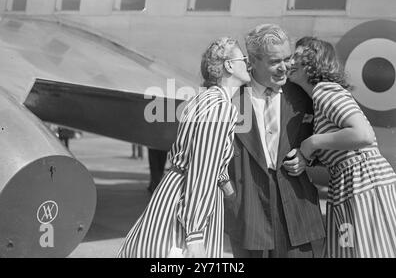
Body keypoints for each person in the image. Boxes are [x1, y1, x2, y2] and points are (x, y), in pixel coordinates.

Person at [117, 37, 251, 258]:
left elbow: (207, 161)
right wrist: (195, 234)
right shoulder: (221, 109)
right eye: (243, 59)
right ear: (229, 65)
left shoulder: (202, 99)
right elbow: (202, 170)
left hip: (173, 190)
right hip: (188, 198)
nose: (247, 63)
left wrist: (227, 189)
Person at [288, 37, 396, 258]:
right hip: (349, 183)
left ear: (313, 61)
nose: (290, 62)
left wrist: (312, 142)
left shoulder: (325, 91)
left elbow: (363, 134)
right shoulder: (318, 100)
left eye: (297, 56)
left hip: (363, 181)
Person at [224, 24, 325, 258]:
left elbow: (326, 137)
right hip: (249, 211)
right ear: (253, 61)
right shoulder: (230, 99)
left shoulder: (305, 95)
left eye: (287, 59)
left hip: (297, 208)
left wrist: (306, 156)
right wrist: (230, 194)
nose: (284, 68)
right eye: (274, 62)